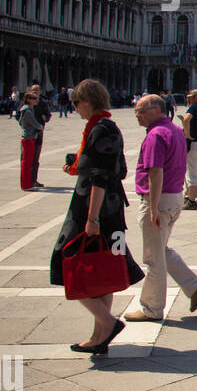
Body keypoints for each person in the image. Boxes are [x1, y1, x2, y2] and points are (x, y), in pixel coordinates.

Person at [49, 79, 143, 354]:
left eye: (76, 103)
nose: (75, 109)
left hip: (96, 210)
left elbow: (100, 178)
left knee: (67, 260)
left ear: (87, 101)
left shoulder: (100, 130)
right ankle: (100, 334)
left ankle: (107, 322)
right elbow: (117, 170)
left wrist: (91, 219)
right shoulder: (105, 128)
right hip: (111, 211)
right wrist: (78, 168)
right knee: (106, 268)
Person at [127, 94, 197, 322]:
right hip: (173, 198)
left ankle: (151, 308)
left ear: (156, 110)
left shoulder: (156, 135)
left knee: (153, 257)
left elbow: (155, 172)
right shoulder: (174, 130)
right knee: (161, 249)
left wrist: (152, 208)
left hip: (159, 200)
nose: (137, 115)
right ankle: (193, 286)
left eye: (141, 110)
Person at [16, 92, 44, 190]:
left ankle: (27, 184)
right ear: (28, 100)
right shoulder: (27, 111)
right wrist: (41, 127)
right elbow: (35, 124)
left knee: (27, 162)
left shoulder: (26, 110)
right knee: (27, 163)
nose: (36, 100)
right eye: (34, 98)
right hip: (29, 138)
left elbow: (20, 122)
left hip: (27, 137)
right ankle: (26, 185)